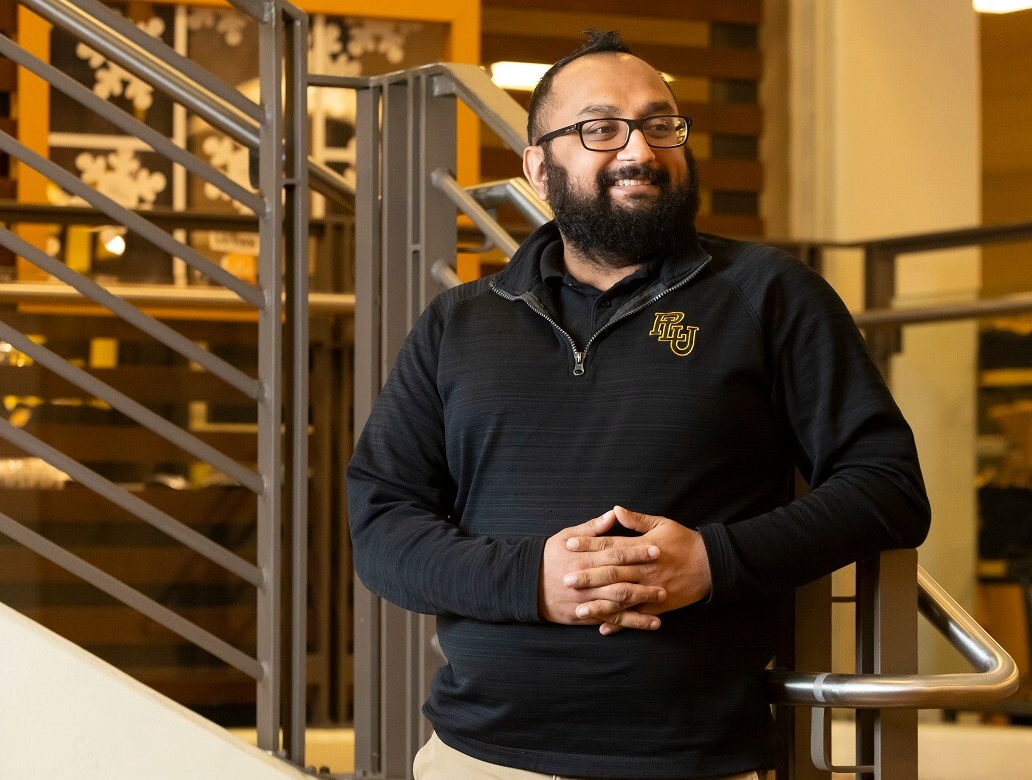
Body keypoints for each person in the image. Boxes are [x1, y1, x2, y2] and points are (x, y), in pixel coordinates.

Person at [347, 29, 931, 780]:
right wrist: (533, 580)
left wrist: (716, 561)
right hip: (478, 759)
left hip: (695, 761)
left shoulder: (770, 295)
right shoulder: (459, 322)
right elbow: (382, 526)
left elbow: (887, 487)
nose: (639, 151)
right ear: (537, 166)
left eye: (660, 125)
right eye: (600, 129)